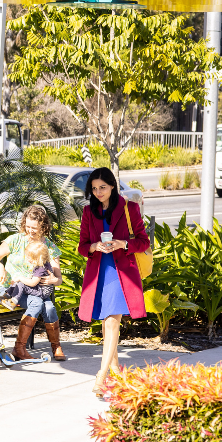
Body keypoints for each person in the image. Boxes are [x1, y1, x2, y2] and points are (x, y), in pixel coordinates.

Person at [77, 168, 149, 397]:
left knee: (111, 321)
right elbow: (82, 246)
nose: (98, 192)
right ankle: (116, 369)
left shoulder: (130, 208)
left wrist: (123, 244)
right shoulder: (89, 211)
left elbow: (143, 242)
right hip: (99, 272)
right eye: (94, 188)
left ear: (112, 187)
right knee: (107, 322)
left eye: (103, 187)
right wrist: (93, 247)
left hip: (122, 273)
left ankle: (101, 375)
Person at [0, 205, 66, 361]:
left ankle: (54, 346)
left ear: (43, 227)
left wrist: (54, 280)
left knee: (49, 307)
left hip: (36, 289)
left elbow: (59, 279)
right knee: (40, 303)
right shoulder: (15, 240)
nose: (30, 231)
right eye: (28, 226)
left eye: (35, 228)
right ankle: (20, 348)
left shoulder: (49, 248)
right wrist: (0, 267)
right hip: (12, 290)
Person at [1, 243, 57, 312]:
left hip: (42, 292)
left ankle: (12, 303)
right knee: (19, 282)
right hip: (40, 288)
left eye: (28, 257)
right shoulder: (45, 263)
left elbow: (33, 283)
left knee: (21, 284)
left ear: (36, 258)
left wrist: (20, 278)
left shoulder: (41, 268)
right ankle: (7, 295)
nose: (27, 259)